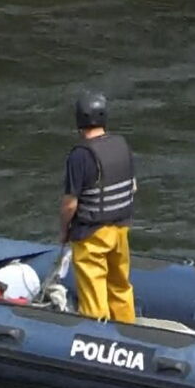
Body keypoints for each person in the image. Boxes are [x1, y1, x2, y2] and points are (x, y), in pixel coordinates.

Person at [59, 92, 137, 323]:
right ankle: (127, 328)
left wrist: (64, 231)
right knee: (120, 285)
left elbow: (70, 203)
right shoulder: (122, 145)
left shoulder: (80, 156)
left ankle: (95, 338)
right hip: (121, 229)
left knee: (93, 295)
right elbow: (133, 187)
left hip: (92, 235)